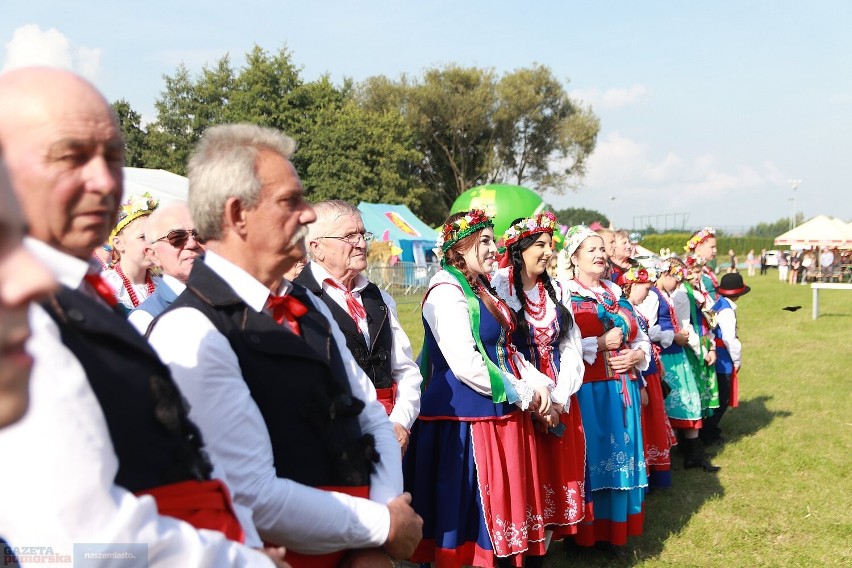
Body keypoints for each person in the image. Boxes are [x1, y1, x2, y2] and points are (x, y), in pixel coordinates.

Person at [0, 67, 280, 566]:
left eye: (113, 158)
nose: (105, 180)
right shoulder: (23, 310)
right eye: (71, 157)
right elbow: (81, 546)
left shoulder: (76, 293)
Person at [147, 123, 422, 567]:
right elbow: (254, 494)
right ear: (238, 216)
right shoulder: (191, 329)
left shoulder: (306, 302)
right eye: (289, 201)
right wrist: (382, 526)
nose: (309, 214)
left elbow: (371, 416)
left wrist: (378, 530)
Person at [404, 209, 553, 568]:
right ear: (459, 247)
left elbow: (504, 348)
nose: (493, 248)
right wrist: (523, 393)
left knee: (500, 503)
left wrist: (539, 383)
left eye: (492, 240)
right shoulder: (446, 289)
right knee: (472, 507)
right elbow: (466, 362)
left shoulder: (480, 287)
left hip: (496, 411)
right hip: (467, 420)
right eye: (484, 241)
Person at [297, 200, 421, 452]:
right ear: (316, 247)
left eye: (363, 234)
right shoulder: (296, 299)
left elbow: (406, 370)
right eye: (349, 236)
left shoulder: (380, 298)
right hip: (329, 443)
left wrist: (399, 422)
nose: (362, 243)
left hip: (389, 435)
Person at [492, 213, 588, 541]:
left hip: (559, 396)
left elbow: (571, 345)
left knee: (556, 474)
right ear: (520, 249)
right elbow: (499, 347)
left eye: (551, 245)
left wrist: (560, 396)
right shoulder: (498, 286)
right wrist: (537, 393)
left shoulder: (558, 289)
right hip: (523, 393)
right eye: (540, 245)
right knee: (527, 476)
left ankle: (546, 547)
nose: (548, 252)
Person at [562, 226, 649, 553]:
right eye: (591, 250)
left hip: (622, 389)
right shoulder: (564, 293)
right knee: (593, 458)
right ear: (574, 258)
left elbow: (641, 337)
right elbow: (559, 346)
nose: (600, 255)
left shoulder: (616, 290)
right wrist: (598, 343)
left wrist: (636, 355)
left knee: (621, 456)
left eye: (602, 249)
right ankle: (583, 536)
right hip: (588, 390)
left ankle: (615, 533)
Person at [639, 257, 719, 473]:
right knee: (676, 403)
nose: (679, 284)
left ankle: (693, 452)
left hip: (676, 354)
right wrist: (672, 336)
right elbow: (646, 327)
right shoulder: (653, 297)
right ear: (665, 275)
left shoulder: (666, 294)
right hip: (666, 356)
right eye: (676, 278)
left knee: (687, 402)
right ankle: (683, 453)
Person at [621, 265, 677, 489]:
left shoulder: (635, 310)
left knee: (653, 425)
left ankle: (656, 472)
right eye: (645, 288)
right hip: (642, 375)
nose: (647, 293)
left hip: (650, 372)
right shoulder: (628, 311)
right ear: (633, 286)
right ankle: (649, 475)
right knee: (646, 425)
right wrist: (641, 382)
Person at [128, 201, 206, 334]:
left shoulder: (233, 298)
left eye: (198, 233)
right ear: (153, 254)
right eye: (177, 237)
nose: (192, 244)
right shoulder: (145, 320)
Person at [701, 273, 749, 446]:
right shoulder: (727, 311)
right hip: (723, 355)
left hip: (717, 350)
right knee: (723, 395)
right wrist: (737, 360)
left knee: (718, 393)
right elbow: (730, 338)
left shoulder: (718, 304)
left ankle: (709, 430)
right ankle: (709, 431)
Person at [102, 192, 160, 313]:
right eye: (143, 237)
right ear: (118, 243)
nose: (152, 244)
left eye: (155, 237)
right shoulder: (107, 286)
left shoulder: (162, 286)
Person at [685, 227, 719, 300]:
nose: (715, 250)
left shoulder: (706, 268)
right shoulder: (690, 268)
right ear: (699, 247)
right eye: (712, 247)